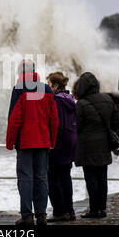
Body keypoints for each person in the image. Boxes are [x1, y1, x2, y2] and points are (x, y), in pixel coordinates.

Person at [6, 60, 59, 226]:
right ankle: (42, 216)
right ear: (34, 71)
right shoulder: (46, 88)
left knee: (25, 178)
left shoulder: (19, 89)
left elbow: (14, 119)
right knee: (42, 177)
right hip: (43, 141)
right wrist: (52, 140)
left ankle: (27, 216)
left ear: (20, 73)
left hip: (25, 142)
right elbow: (54, 119)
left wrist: (10, 142)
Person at [73, 72, 119, 219]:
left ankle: (94, 209)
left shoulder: (81, 104)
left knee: (91, 178)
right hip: (104, 145)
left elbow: (76, 126)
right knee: (102, 177)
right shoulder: (107, 99)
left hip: (88, 147)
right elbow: (116, 122)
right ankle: (102, 208)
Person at [46, 72, 78, 222]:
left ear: (56, 85)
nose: (47, 87)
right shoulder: (70, 99)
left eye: (49, 84)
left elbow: (57, 124)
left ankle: (59, 211)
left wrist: (53, 146)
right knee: (65, 177)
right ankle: (70, 211)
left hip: (59, 143)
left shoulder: (56, 100)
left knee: (52, 178)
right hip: (70, 142)